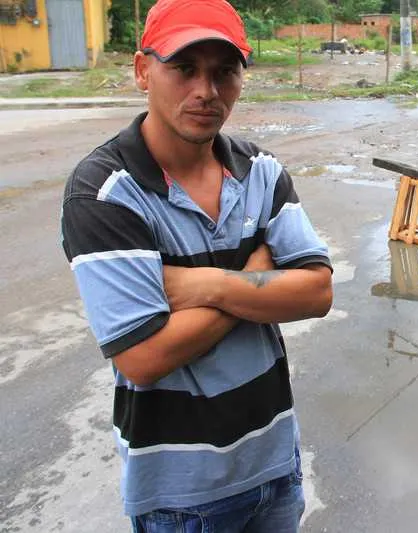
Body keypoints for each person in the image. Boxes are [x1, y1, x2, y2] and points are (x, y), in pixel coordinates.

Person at [60, 1, 333, 531]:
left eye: (223, 71)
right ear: (143, 70)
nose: (206, 91)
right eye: (184, 68)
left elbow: (317, 293)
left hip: (276, 462)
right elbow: (142, 355)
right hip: (179, 495)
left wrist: (205, 284)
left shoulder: (261, 171)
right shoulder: (104, 194)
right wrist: (255, 280)